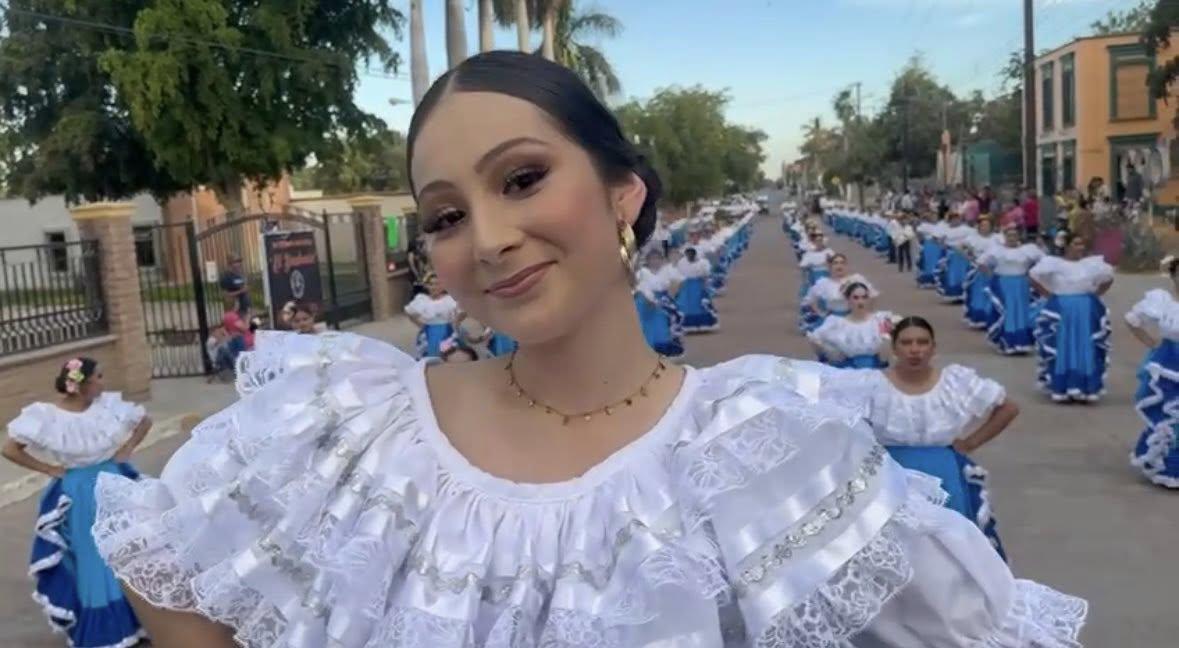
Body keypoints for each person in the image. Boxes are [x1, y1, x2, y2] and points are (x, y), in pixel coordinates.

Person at [93, 50, 1086, 648]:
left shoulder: (773, 455)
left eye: (521, 179)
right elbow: (161, 556)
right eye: (445, 215)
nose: (485, 238)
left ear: (623, 192)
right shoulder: (357, 436)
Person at [5, 358, 149, 648]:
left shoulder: (106, 407)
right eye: (98, 377)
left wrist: (126, 450)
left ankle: (137, 621)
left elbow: (144, 421)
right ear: (82, 385)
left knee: (124, 550)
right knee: (94, 558)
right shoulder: (47, 416)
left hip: (113, 484)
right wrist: (49, 469)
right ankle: (106, 632)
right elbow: (9, 449)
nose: (103, 382)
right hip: (80, 493)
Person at [865, 317, 1020, 558]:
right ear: (894, 348)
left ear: (933, 348)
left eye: (922, 342)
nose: (915, 349)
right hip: (891, 474)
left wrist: (970, 443)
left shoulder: (955, 382)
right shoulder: (872, 385)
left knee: (950, 550)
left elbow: (1008, 408)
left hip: (945, 474)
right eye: (906, 343)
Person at [1029, 232, 1115, 402]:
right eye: (1076, 243)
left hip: (1086, 309)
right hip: (1062, 308)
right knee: (1063, 345)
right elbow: (1033, 277)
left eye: (1082, 244)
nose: (1080, 247)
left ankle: (1087, 386)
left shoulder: (1092, 264)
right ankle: (1062, 386)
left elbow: (1109, 278)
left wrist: (1096, 294)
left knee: (1086, 345)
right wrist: (1048, 295)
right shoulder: (1053, 263)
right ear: (1066, 245)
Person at [1123, 256, 1179, 488]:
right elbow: (1133, 320)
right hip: (1169, 361)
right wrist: (1151, 342)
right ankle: (1167, 466)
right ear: (1174, 275)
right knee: (1167, 413)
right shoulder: (1162, 300)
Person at [807, 282, 896, 368]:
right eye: (856, 298)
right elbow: (815, 339)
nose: (860, 301)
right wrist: (830, 354)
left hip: (876, 372)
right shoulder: (837, 324)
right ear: (848, 300)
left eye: (864, 297)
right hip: (847, 373)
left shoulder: (879, 321)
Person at [800, 253, 876, 333]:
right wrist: (821, 314)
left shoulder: (856, 279)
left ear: (846, 265)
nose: (839, 266)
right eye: (835, 263)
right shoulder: (824, 283)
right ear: (830, 266)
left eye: (842, 263)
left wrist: (867, 313)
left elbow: (872, 295)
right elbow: (809, 300)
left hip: (853, 319)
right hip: (833, 321)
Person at [634, 249, 685, 357]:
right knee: (647, 325)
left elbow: (678, 280)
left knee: (663, 322)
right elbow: (638, 287)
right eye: (652, 259)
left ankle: (663, 346)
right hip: (645, 302)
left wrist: (673, 292)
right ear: (648, 260)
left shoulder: (666, 271)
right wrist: (648, 298)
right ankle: (647, 348)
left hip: (662, 300)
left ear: (661, 260)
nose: (655, 261)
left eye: (657, 258)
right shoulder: (643, 272)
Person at [962, 217, 1002, 329]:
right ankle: (979, 317)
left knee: (993, 293)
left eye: (988, 225)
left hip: (994, 270)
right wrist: (968, 256)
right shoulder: (972, 238)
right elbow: (961, 247)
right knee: (979, 293)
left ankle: (992, 317)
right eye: (983, 225)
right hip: (978, 269)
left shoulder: (997, 238)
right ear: (979, 227)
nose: (985, 227)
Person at [674, 246, 719, 332]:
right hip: (686, 286)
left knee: (699, 304)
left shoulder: (702, 263)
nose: (689, 255)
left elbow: (705, 276)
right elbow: (679, 277)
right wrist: (679, 288)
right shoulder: (682, 263)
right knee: (685, 304)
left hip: (698, 285)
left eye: (691, 253)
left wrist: (705, 286)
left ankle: (702, 324)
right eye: (688, 253)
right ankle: (686, 325)